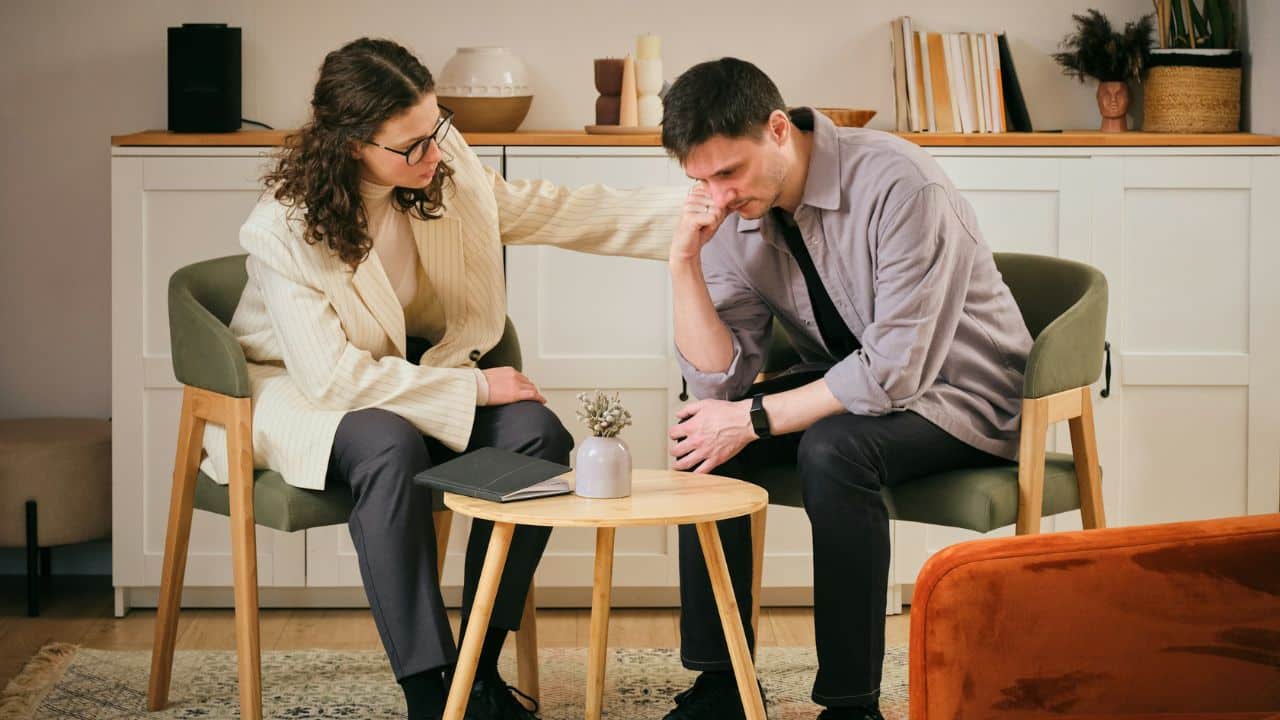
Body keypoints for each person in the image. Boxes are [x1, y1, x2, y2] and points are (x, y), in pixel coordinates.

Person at [196, 37, 683, 720]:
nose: (435, 154)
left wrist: (689, 216)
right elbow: (333, 379)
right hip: (302, 392)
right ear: (351, 144)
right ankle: (430, 694)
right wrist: (479, 390)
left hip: (418, 374)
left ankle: (476, 676)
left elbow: (539, 208)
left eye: (438, 128)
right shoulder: (284, 229)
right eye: (411, 147)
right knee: (388, 446)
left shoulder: (438, 163)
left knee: (539, 439)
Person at [660, 57, 1034, 720]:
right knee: (702, 438)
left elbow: (896, 368)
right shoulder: (730, 213)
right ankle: (722, 685)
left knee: (833, 449)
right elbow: (719, 379)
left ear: (779, 129)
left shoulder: (900, 183)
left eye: (729, 173)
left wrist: (753, 418)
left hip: (960, 393)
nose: (718, 195)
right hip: (853, 385)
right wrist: (685, 264)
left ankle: (851, 705)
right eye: (701, 180)